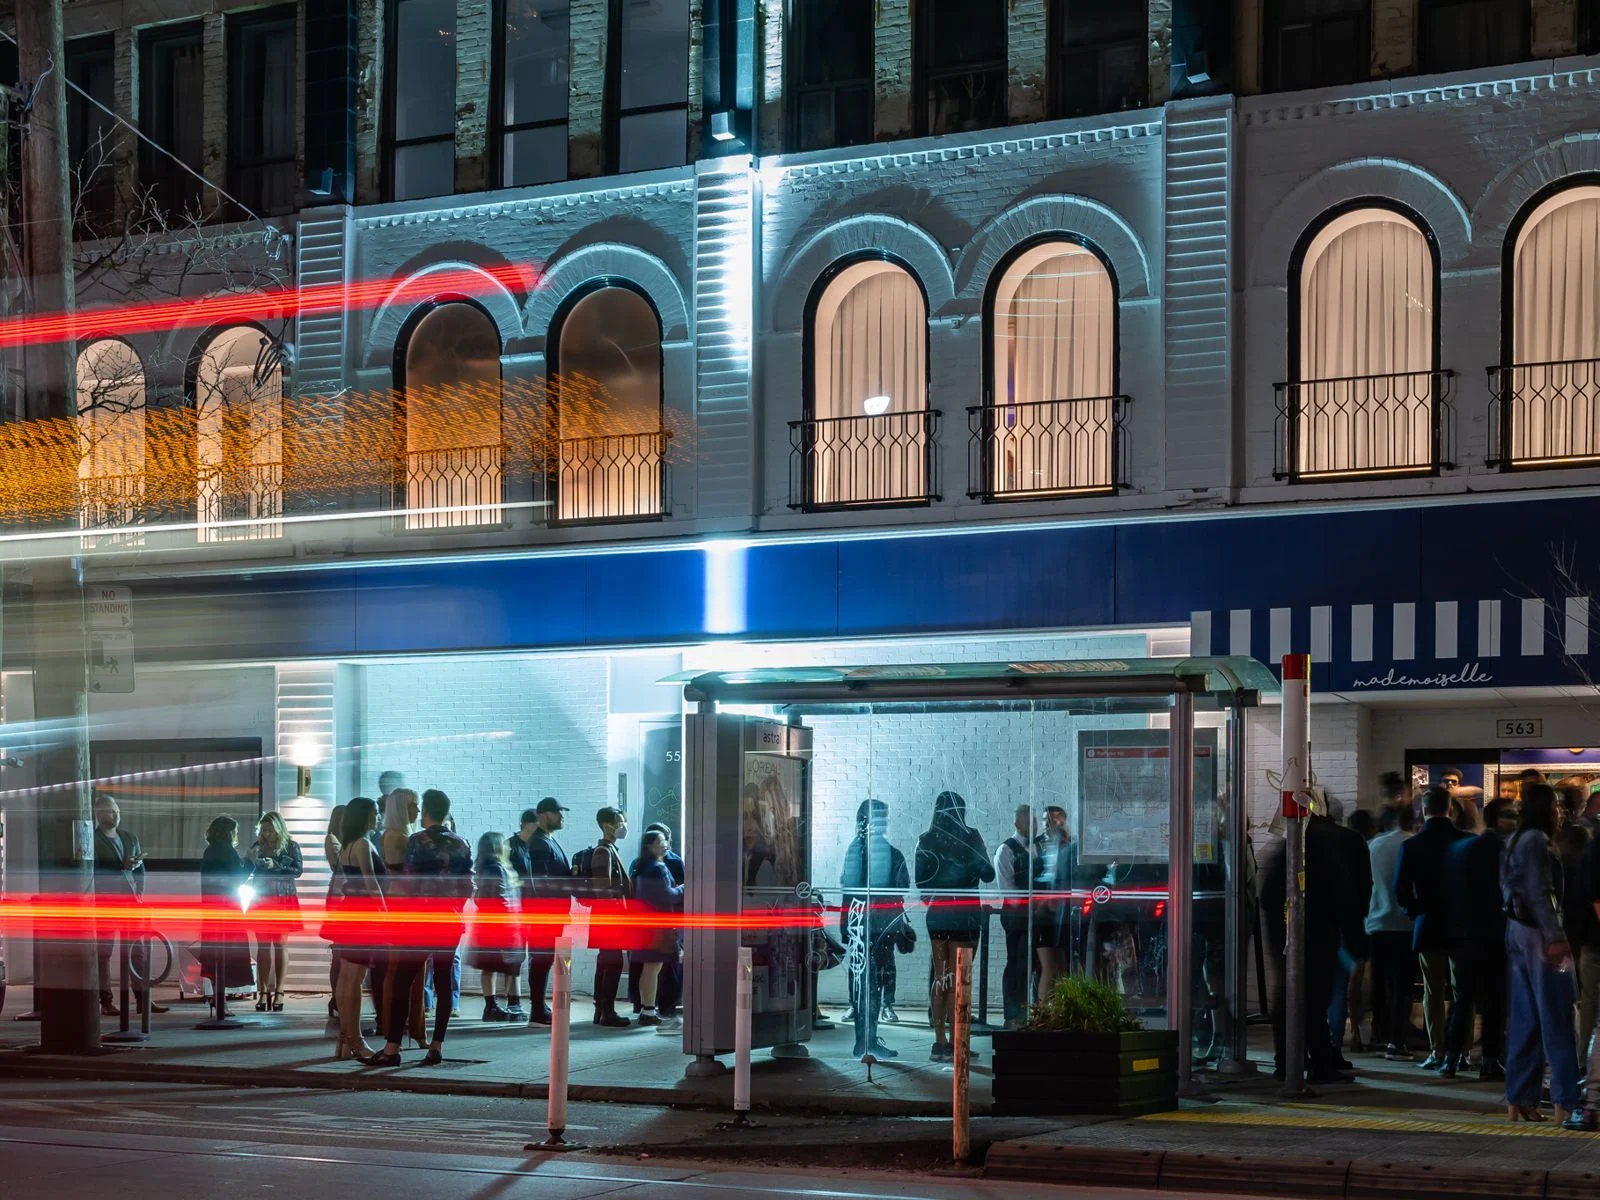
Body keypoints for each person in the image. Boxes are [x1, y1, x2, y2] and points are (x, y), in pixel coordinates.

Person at [369, 788, 472, 1067]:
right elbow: (468, 885)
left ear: (425, 811)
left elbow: (409, 880)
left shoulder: (416, 841)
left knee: (403, 981)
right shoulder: (462, 843)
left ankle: (392, 1047)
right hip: (450, 921)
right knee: (443, 981)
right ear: (446, 811)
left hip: (420, 921)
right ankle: (436, 1046)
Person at [1501, 783, 1580, 1125]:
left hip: (1516, 932)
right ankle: (1566, 1101)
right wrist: (1555, 937)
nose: (1560, 812)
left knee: (1525, 1017)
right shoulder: (1537, 841)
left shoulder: (1512, 840)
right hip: (1540, 936)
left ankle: (1519, 1097)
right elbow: (1540, 891)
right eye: (1556, 806)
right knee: (1557, 1015)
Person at [915, 790, 994, 1063]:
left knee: (941, 978)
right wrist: (970, 861)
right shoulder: (971, 837)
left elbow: (921, 883)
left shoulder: (926, 839)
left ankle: (939, 1043)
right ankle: (959, 1042)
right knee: (961, 981)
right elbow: (988, 873)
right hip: (965, 915)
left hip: (938, 914)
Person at [1395, 786, 1471, 1070]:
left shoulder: (1412, 845)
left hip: (1428, 924)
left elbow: (1401, 889)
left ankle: (1437, 1050)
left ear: (1424, 810)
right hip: (1462, 925)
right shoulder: (1467, 841)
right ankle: (1461, 1051)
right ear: (1450, 809)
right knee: (1462, 990)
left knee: (1433, 991)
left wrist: (1416, 911)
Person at [1441, 799, 1513, 1080]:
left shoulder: (1459, 849)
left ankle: (1450, 1057)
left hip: (1462, 934)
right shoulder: (1502, 849)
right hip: (1492, 933)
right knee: (1493, 1000)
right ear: (1496, 819)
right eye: (1510, 815)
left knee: (1462, 998)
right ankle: (1490, 1060)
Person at [840, 799, 909, 1058]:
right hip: (878, 926)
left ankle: (866, 1040)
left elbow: (848, 891)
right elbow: (901, 887)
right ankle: (867, 1041)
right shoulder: (887, 853)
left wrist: (846, 925)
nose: (884, 822)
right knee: (873, 982)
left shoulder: (856, 850)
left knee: (865, 982)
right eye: (881, 817)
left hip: (863, 926)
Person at [91, 793, 166, 1016]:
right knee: (104, 953)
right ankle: (106, 1001)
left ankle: (143, 998)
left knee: (137, 951)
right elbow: (90, 872)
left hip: (131, 902)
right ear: (98, 814)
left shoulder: (130, 838)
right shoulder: (93, 840)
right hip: (105, 903)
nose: (115, 815)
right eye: (110, 811)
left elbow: (140, 869)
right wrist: (120, 868)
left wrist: (139, 891)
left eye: (117, 811)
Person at [327, 797, 385, 1062]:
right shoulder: (362, 844)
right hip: (364, 915)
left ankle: (345, 1039)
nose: (377, 817)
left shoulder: (347, 846)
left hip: (348, 912)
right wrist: (386, 914)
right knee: (354, 979)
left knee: (346, 978)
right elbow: (372, 884)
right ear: (364, 816)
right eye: (374, 813)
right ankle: (356, 1041)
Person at [1365, 801, 1417, 1059]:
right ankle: (1397, 1040)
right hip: (1405, 924)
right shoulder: (1413, 844)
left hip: (1376, 922)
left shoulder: (1374, 845)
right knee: (1402, 987)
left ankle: (1379, 1033)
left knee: (1380, 984)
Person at [1324, 798, 1372, 1066]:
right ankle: (1334, 1044)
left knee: (1316, 987)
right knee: (1339, 987)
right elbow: (1366, 883)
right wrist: (1359, 916)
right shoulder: (1353, 840)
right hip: (1346, 922)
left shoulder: (1306, 839)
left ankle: (1315, 1043)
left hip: (1317, 923)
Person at [516, 798, 572, 1025]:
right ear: (543, 815)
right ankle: (537, 1009)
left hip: (551, 913)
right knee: (541, 960)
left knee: (544, 959)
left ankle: (539, 1006)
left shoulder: (548, 840)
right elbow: (540, 882)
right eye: (557, 812)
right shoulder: (539, 842)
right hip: (545, 913)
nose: (562, 816)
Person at [379, 787, 425, 1045]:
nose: (417, 810)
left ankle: (403, 1028)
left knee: (405, 969)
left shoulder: (399, 835)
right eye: (412, 805)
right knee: (401, 970)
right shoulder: (397, 837)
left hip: (404, 906)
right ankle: (399, 1028)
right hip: (403, 907)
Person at [246, 812, 304, 1013]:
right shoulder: (257, 846)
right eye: (264, 830)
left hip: (282, 899)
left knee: (280, 945)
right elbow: (247, 869)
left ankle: (279, 991)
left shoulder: (291, 846)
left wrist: (276, 865)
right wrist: (251, 860)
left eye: (270, 830)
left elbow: (298, 870)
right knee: (262, 946)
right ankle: (263, 991)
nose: (267, 834)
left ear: (279, 829)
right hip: (261, 898)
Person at [198, 816, 254, 1017]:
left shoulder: (210, 850)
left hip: (211, 908)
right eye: (235, 831)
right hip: (227, 907)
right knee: (227, 955)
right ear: (229, 832)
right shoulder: (227, 851)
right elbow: (238, 878)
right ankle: (221, 1002)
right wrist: (250, 861)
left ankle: (217, 998)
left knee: (215, 955)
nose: (236, 834)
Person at [582, 806, 632, 1028]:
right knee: (612, 962)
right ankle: (607, 1011)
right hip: (609, 917)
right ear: (606, 825)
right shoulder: (603, 852)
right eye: (619, 822)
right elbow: (602, 888)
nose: (623, 826)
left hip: (607, 917)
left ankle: (601, 1010)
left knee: (606, 961)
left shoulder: (609, 849)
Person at [630, 829, 684, 1029]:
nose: (665, 844)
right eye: (660, 841)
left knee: (649, 968)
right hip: (659, 925)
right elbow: (668, 895)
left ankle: (647, 1010)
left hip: (645, 924)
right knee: (653, 968)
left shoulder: (641, 867)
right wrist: (684, 888)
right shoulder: (658, 868)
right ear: (650, 846)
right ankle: (649, 1011)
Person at [469, 831, 524, 1022]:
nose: (508, 846)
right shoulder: (497, 869)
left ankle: (492, 1006)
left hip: (491, 925)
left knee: (492, 966)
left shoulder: (487, 868)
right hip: (503, 926)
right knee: (508, 965)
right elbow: (499, 898)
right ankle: (510, 1005)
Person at [993, 805, 1038, 1029]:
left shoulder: (1039, 847)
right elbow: (1007, 890)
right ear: (1017, 823)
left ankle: (1034, 1013)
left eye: (1035, 821)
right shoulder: (1005, 850)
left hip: (1038, 915)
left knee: (1036, 964)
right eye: (1029, 821)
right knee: (1017, 964)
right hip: (1016, 916)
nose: (1034, 826)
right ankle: (1013, 1016)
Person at [1033, 805, 1076, 1000]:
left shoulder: (1069, 846)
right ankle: (1043, 1010)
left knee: (1061, 966)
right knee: (1049, 966)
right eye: (1045, 820)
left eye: (1052, 819)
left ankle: (1057, 1007)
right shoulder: (1037, 846)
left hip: (1061, 910)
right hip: (1046, 912)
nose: (1047, 824)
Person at [323, 804, 347, 1022]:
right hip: (340, 896)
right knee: (339, 951)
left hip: (345, 893)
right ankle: (336, 998)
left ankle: (340, 997)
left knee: (345, 952)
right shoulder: (333, 839)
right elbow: (339, 864)